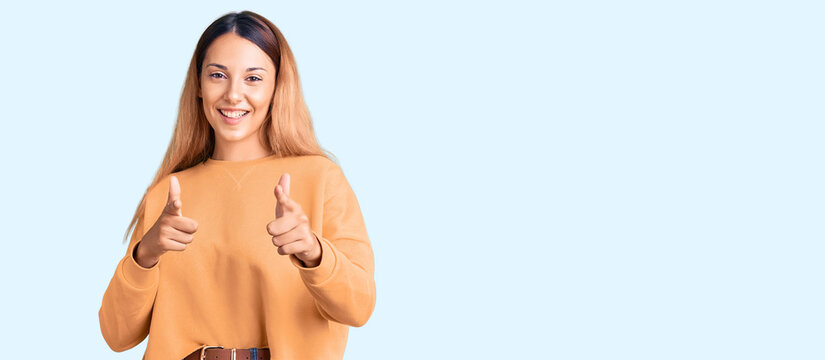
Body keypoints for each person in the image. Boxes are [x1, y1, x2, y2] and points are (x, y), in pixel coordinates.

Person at [98, 10, 376, 360]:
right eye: (217, 75)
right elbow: (116, 335)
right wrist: (146, 254)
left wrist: (314, 253)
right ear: (199, 86)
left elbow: (359, 308)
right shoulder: (167, 195)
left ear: (277, 87)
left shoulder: (321, 180)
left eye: (253, 78)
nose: (233, 94)